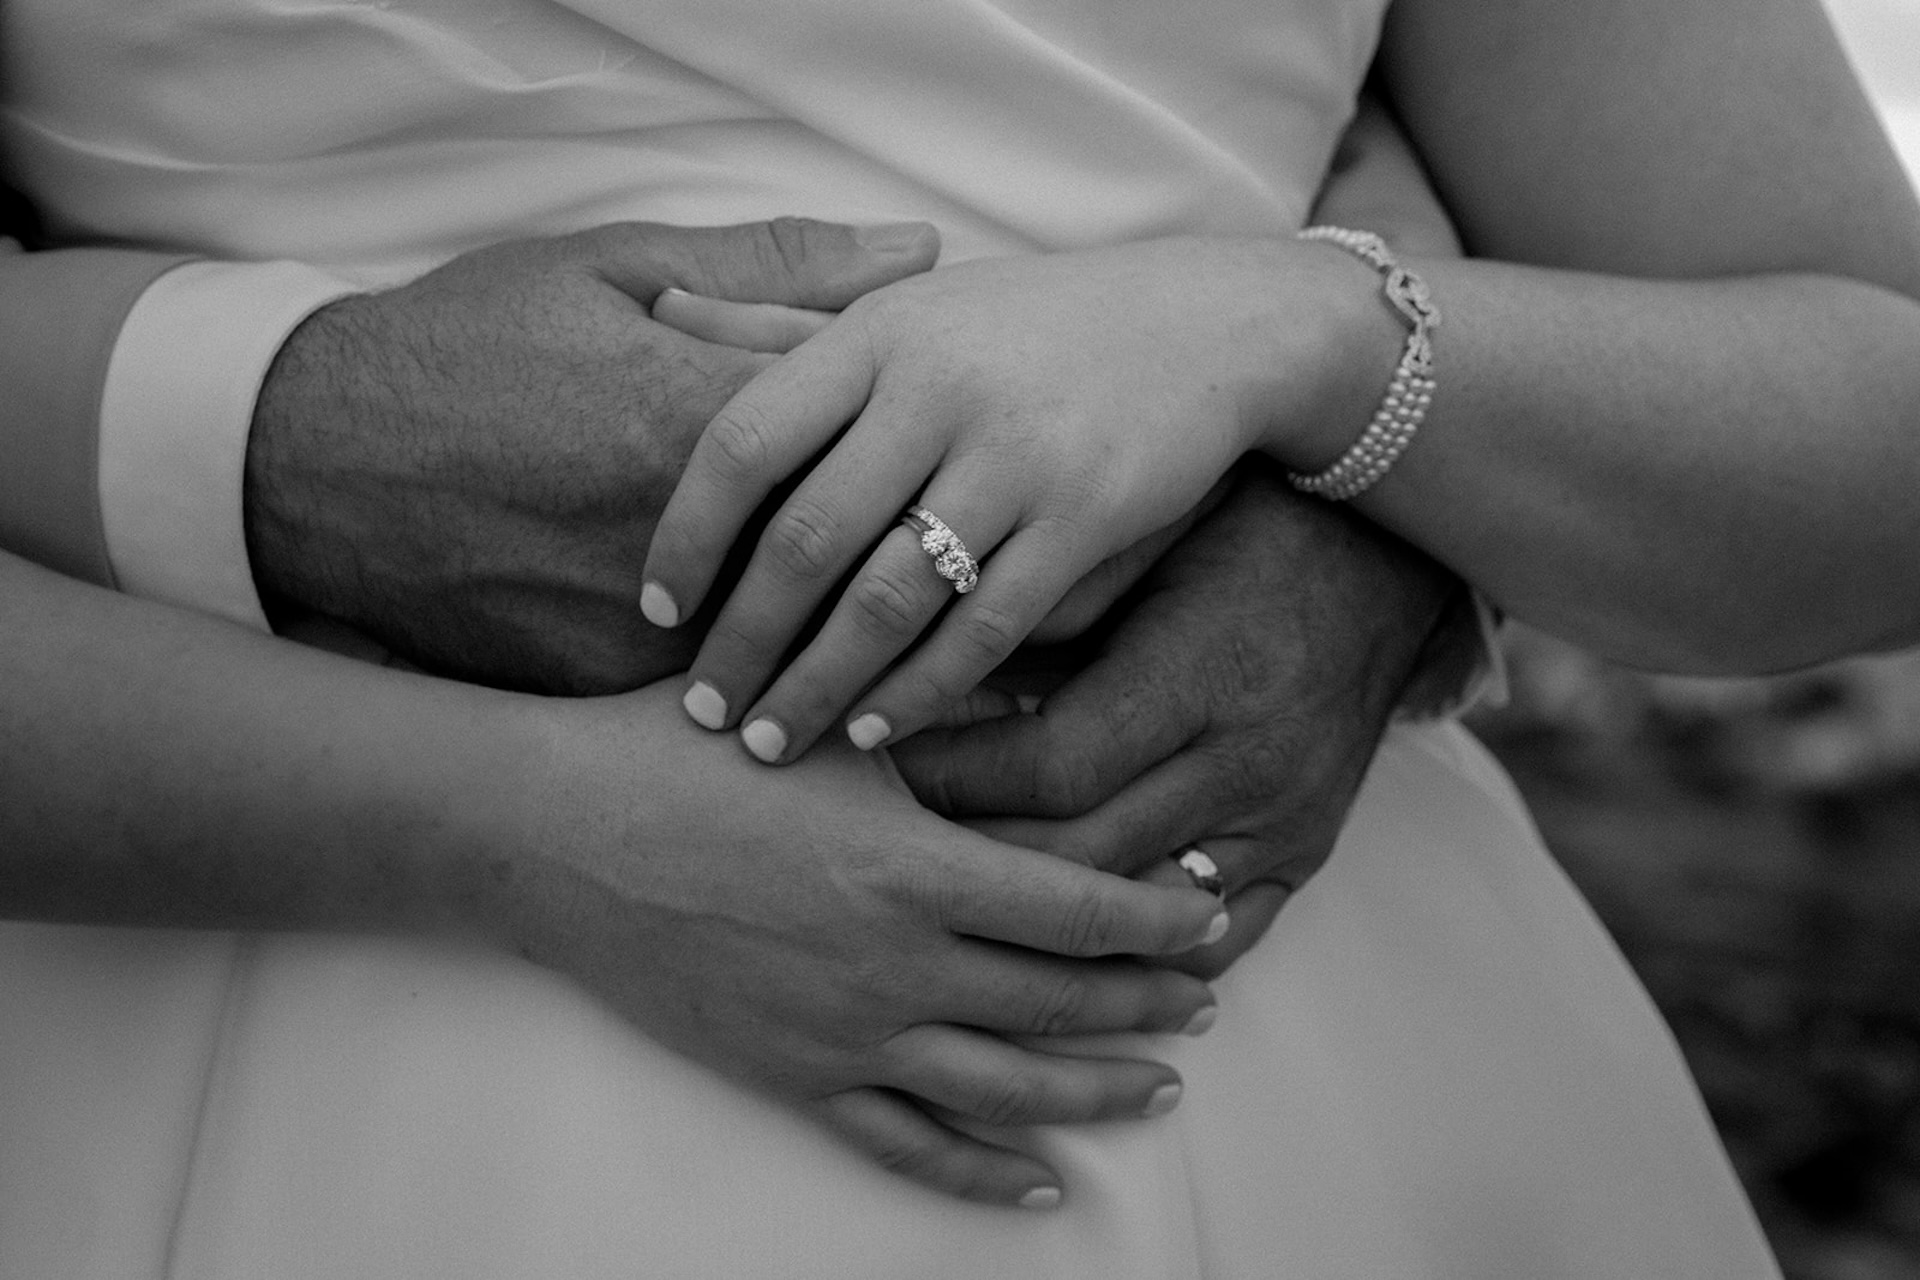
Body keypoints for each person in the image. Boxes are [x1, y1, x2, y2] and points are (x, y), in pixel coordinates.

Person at [7, 0, 1906, 1274]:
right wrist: (277, 441)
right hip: (210, 885)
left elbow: (1867, 411)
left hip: (1257, 1014)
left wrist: (1333, 357)